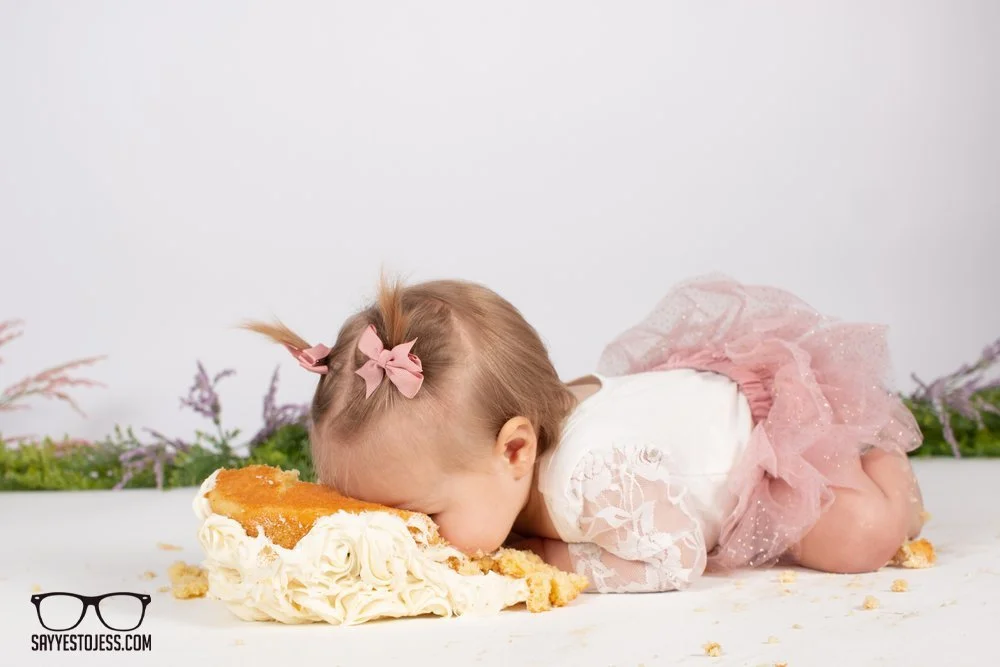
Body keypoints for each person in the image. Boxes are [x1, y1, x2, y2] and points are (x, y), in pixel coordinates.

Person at [244, 274, 925, 593]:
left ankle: (881, 464)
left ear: (516, 450)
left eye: (419, 517)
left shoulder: (587, 481)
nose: (403, 535)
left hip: (760, 444)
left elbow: (677, 555)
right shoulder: (491, 469)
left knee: (856, 539)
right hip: (680, 414)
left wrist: (551, 556)